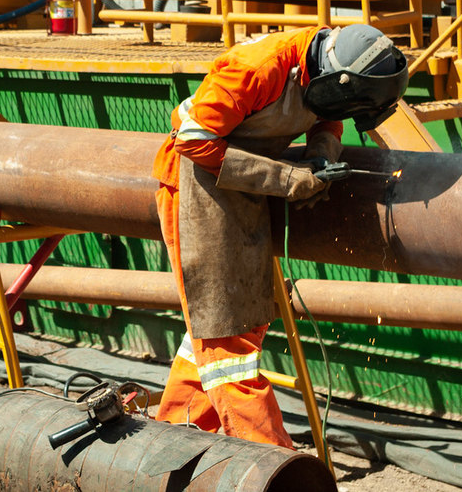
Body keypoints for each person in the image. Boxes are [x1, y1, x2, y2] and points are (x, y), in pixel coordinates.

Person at [151, 24, 408, 445]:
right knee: (225, 338)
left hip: (242, 186)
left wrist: (319, 158)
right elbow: (193, 140)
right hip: (197, 188)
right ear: (334, 78)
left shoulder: (327, 63)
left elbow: (329, 116)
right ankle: (274, 464)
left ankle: (173, 438)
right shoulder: (258, 69)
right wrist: (286, 178)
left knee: (231, 329)